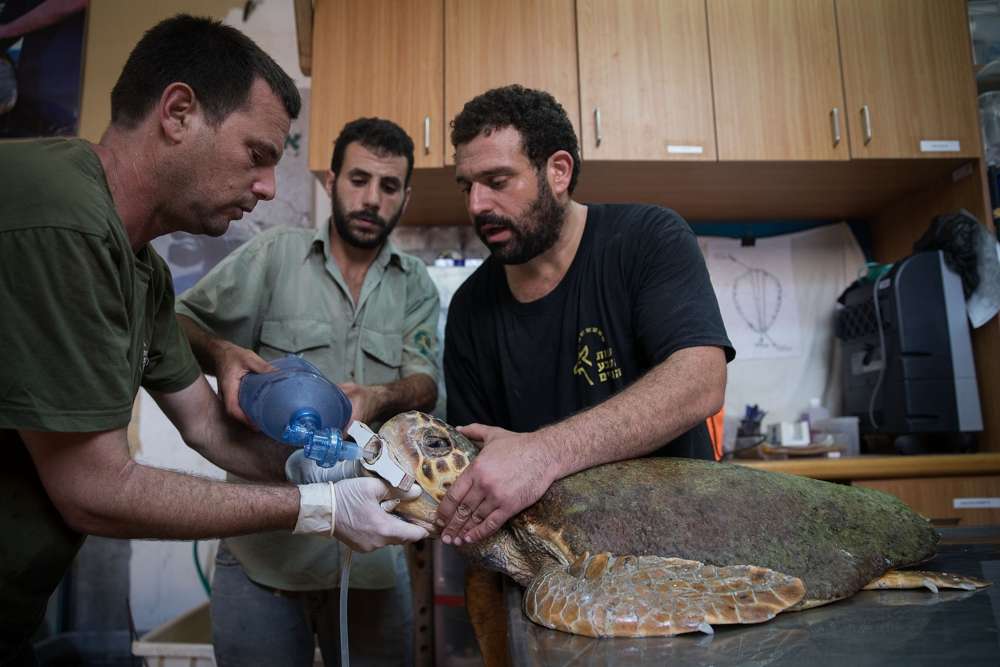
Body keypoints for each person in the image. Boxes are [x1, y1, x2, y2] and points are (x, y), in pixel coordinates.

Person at [0, 16, 426, 666]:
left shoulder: (142, 273)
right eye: (257, 155)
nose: (266, 188)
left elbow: (208, 426)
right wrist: (318, 505)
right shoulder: (66, 223)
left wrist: (339, 468)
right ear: (177, 112)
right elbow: (93, 490)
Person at [176, 117, 440, 667]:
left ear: (405, 196)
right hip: (266, 551)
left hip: (370, 561)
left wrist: (376, 395)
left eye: (389, 187)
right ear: (331, 179)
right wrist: (223, 355)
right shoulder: (275, 255)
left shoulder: (414, 282)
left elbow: (425, 384)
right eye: (359, 179)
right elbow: (176, 320)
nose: (371, 198)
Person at [438, 84, 734, 546]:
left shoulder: (648, 239)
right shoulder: (470, 310)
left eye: (497, 182)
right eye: (467, 186)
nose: (476, 205)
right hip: (558, 566)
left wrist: (543, 453)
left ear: (558, 171)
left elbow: (700, 381)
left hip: (684, 551)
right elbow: (478, 464)